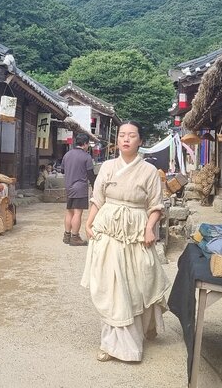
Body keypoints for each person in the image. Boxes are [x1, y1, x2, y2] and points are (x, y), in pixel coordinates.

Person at [81, 121, 170, 362]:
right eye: (122, 135)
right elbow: (97, 198)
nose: (126, 139)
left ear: (140, 141)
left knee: (138, 284)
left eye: (132, 136)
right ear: (117, 140)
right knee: (112, 288)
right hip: (108, 232)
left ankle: (140, 331)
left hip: (136, 233)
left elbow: (156, 206)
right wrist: (88, 223)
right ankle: (112, 345)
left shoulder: (149, 172)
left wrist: (150, 228)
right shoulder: (108, 167)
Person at [61, 133, 95, 246]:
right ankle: (75, 237)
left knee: (69, 211)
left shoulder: (67, 155)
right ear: (85, 144)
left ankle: (67, 235)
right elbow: (90, 174)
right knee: (77, 213)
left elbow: (62, 170)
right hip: (80, 187)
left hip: (69, 186)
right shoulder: (86, 156)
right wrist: (95, 187)